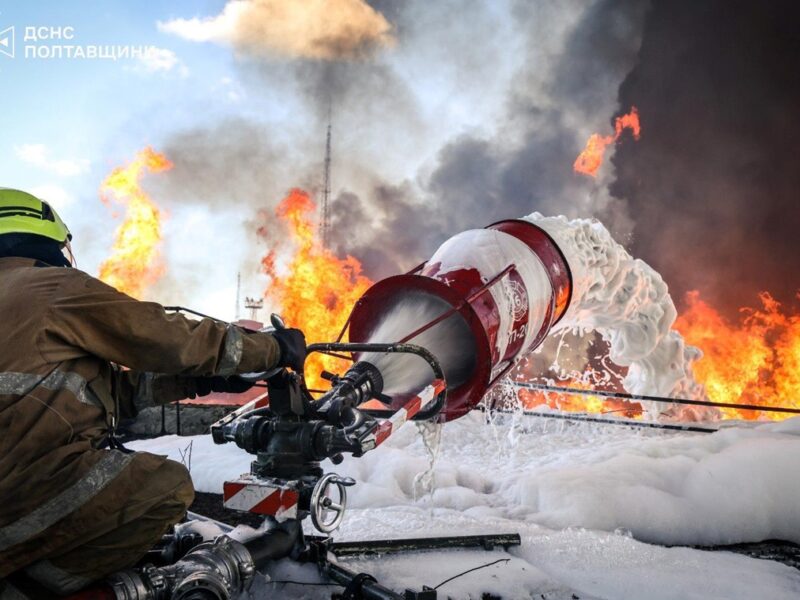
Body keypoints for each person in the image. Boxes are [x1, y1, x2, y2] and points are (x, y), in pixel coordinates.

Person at [0, 188, 306, 595]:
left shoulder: (19, 308)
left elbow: (108, 395)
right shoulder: (49, 287)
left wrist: (202, 380)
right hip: (16, 496)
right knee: (162, 487)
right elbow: (163, 337)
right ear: (44, 237)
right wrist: (271, 348)